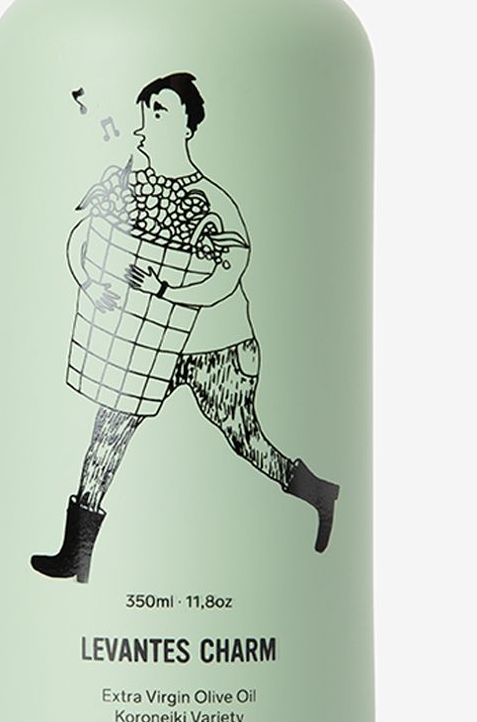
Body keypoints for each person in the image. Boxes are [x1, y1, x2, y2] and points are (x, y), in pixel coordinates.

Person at [31, 73, 339, 583]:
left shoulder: (211, 201)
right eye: (145, 112)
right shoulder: (130, 188)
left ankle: (316, 491)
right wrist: (92, 280)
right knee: (109, 427)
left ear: (188, 127)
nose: (147, 122)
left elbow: (230, 270)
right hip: (147, 340)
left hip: (216, 346)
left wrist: (165, 287)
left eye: (161, 112)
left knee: (244, 438)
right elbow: (86, 235)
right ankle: (76, 556)